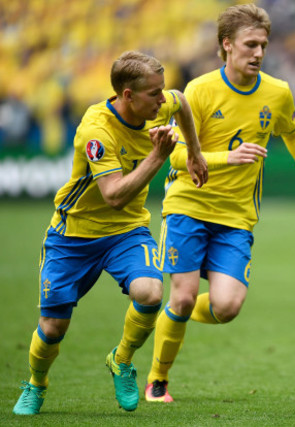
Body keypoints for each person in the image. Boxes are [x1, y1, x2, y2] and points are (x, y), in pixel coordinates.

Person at [145, 3, 295, 403]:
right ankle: (157, 379)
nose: (258, 52)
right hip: (188, 205)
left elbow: (294, 133)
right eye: (250, 44)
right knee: (181, 296)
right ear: (227, 45)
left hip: (236, 217)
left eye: (263, 45)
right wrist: (223, 158)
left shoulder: (278, 92)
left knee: (228, 306)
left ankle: (175, 317)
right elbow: (177, 156)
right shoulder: (198, 91)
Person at [12, 51, 208, 416]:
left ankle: (121, 360)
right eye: (153, 93)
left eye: (161, 90)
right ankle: (36, 384)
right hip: (74, 235)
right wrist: (158, 156)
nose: (162, 99)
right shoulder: (96, 130)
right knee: (53, 327)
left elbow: (181, 102)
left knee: (150, 292)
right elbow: (114, 195)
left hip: (127, 232)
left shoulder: (160, 104)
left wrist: (195, 153)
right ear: (127, 95)